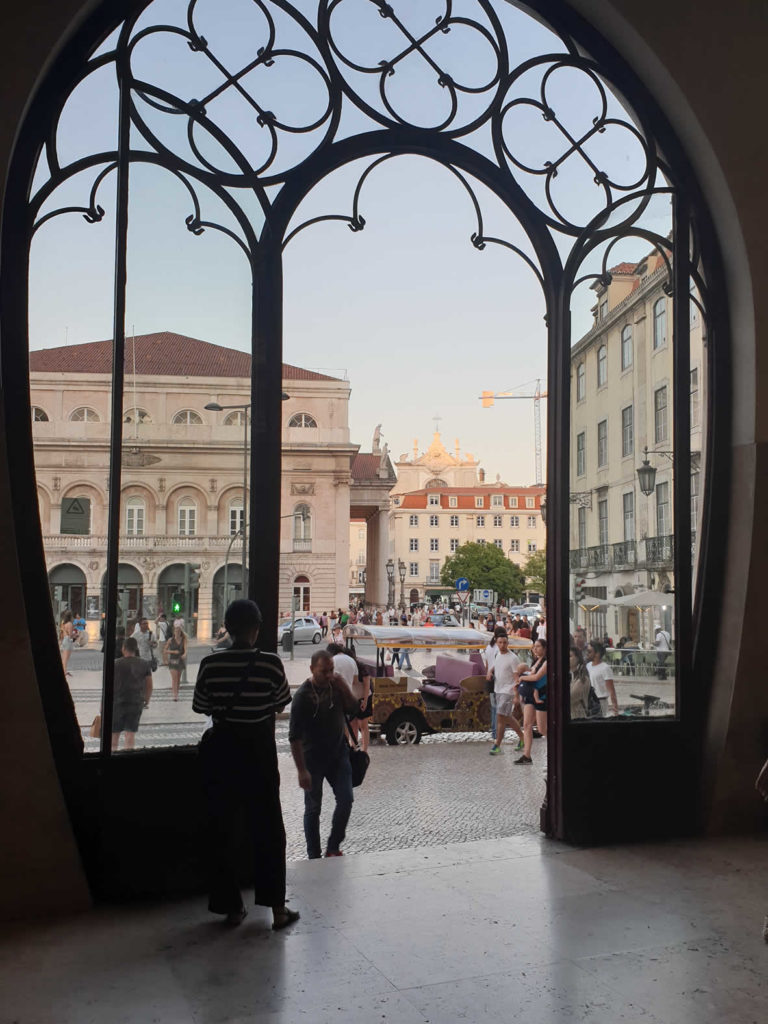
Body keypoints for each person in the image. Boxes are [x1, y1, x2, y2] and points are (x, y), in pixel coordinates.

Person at [192, 599, 298, 930]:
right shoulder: (270, 664)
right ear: (256, 628)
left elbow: (201, 706)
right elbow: (280, 702)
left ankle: (230, 907)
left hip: (223, 750)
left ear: (227, 627)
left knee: (221, 830)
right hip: (258, 751)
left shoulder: (210, 664)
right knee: (268, 829)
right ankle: (277, 910)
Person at [289, 650, 359, 859]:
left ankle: (333, 847)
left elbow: (354, 709)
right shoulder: (302, 696)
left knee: (346, 799)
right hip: (312, 759)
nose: (328, 675)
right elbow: (294, 737)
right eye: (323, 671)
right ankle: (314, 855)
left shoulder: (336, 687)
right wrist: (301, 770)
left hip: (339, 755)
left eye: (331, 670)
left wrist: (344, 688)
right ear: (312, 670)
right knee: (313, 808)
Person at [111, 636, 152, 751]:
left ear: (123, 648)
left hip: (117, 702)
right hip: (135, 702)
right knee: (130, 735)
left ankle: (113, 758)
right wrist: (146, 700)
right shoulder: (144, 664)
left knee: (114, 736)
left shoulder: (116, 663)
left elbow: (109, 685)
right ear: (136, 649)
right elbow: (149, 685)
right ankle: (127, 758)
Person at [489, 633, 524, 754]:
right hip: (497, 689)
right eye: (500, 642)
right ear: (496, 643)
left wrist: (516, 695)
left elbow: (517, 677)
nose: (502, 645)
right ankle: (522, 737)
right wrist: (490, 671)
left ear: (508, 643)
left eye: (505, 642)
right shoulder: (497, 654)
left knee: (500, 716)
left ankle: (497, 744)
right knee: (506, 716)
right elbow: (496, 666)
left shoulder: (513, 658)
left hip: (508, 691)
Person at [515, 638, 548, 764]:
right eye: (534, 646)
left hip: (542, 696)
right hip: (530, 695)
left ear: (545, 648)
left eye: (538, 646)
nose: (535, 649)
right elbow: (531, 673)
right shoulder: (535, 661)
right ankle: (526, 755)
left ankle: (557, 748)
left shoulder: (546, 662)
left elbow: (536, 677)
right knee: (527, 725)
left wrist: (522, 677)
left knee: (542, 729)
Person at [483, 625, 508, 740]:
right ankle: (498, 733)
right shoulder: (499, 649)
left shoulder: (489, 647)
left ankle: (494, 732)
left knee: (494, 707)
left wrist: (487, 674)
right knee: (500, 708)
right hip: (498, 679)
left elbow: (487, 665)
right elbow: (498, 664)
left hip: (490, 680)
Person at [585, 640, 619, 717]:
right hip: (589, 701)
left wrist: (615, 710)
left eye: (589, 651)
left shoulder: (605, 668)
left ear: (597, 654)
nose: (587, 653)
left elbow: (612, 691)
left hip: (601, 702)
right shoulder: (588, 665)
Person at [164, 623, 187, 701]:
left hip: (180, 660)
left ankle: (177, 692)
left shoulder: (183, 640)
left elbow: (186, 649)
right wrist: (173, 652)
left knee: (178, 679)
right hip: (173, 660)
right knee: (174, 678)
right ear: (174, 632)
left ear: (181, 632)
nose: (177, 633)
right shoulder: (170, 640)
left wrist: (184, 654)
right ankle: (175, 695)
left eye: (179, 631)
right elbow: (165, 650)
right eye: (176, 631)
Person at [569, 645, 591, 719]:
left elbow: (571, 697)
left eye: (570, 656)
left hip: (577, 716)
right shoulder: (572, 675)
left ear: (577, 658)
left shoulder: (582, 678)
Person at [59, 609, 75, 677]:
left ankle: (64, 671)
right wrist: (75, 635)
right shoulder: (70, 624)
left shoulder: (63, 624)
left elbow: (62, 634)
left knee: (64, 657)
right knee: (66, 658)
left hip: (64, 640)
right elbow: (70, 635)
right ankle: (64, 672)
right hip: (68, 641)